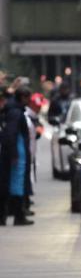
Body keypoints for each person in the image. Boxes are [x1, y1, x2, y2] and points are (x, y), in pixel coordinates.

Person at [0, 88, 33, 226]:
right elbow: (12, 133)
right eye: (27, 98)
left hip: (14, 152)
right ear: (23, 98)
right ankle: (18, 215)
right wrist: (14, 153)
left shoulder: (13, 110)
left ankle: (7, 215)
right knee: (16, 184)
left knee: (9, 183)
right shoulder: (16, 112)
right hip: (16, 153)